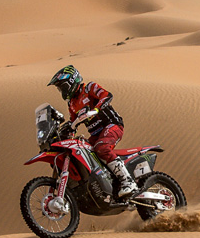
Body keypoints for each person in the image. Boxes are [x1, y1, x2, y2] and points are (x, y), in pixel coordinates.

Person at [47, 65, 138, 197]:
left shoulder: (89, 88)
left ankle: (128, 181)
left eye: (62, 87)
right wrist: (67, 133)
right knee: (85, 154)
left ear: (72, 82)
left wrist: (96, 109)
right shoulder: (72, 103)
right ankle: (108, 183)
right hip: (96, 134)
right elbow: (74, 123)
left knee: (102, 147)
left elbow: (107, 95)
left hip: (112, 125)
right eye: (59, 88)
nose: (62, 91)